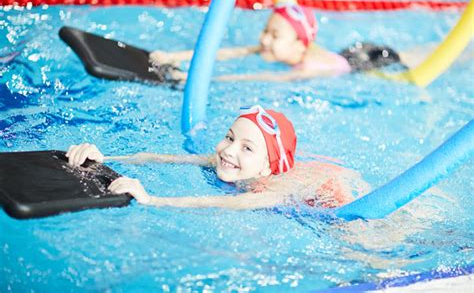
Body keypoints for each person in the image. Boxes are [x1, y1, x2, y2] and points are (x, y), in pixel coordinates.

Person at [66, 105, 370, 210]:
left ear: (266, 168)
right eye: (229, 137)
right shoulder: (229, 160)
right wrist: (107, 156)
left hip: (337, 197)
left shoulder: (271, 189)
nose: (228, 150)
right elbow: (164, 158)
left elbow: (229, 203)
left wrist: (153, 199)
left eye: (246, 148)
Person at [151, 3, 428, 83]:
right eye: (266, 30)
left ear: (299, 46)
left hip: (366, 61)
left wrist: (195, 78)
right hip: (348, 52)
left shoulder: (306, 67)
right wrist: (175, 55)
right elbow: (229, 52)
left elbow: (253, 76)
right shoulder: (276, 48)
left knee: (415, 60)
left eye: (275, 35)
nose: (264, 40)